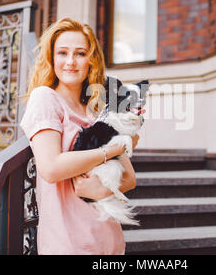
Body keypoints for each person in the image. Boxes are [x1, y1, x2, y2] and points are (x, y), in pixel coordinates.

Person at [19, 17, 138, 255]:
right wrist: (114, 150)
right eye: (62, 53)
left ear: (91, 60)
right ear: (52, 58)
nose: (71, 62)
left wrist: (101, 189)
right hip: (69, 245)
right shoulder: (45, 98)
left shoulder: (96, 110)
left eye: (80, 53)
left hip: (110, 242)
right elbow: (51, 168)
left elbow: (130, 179)